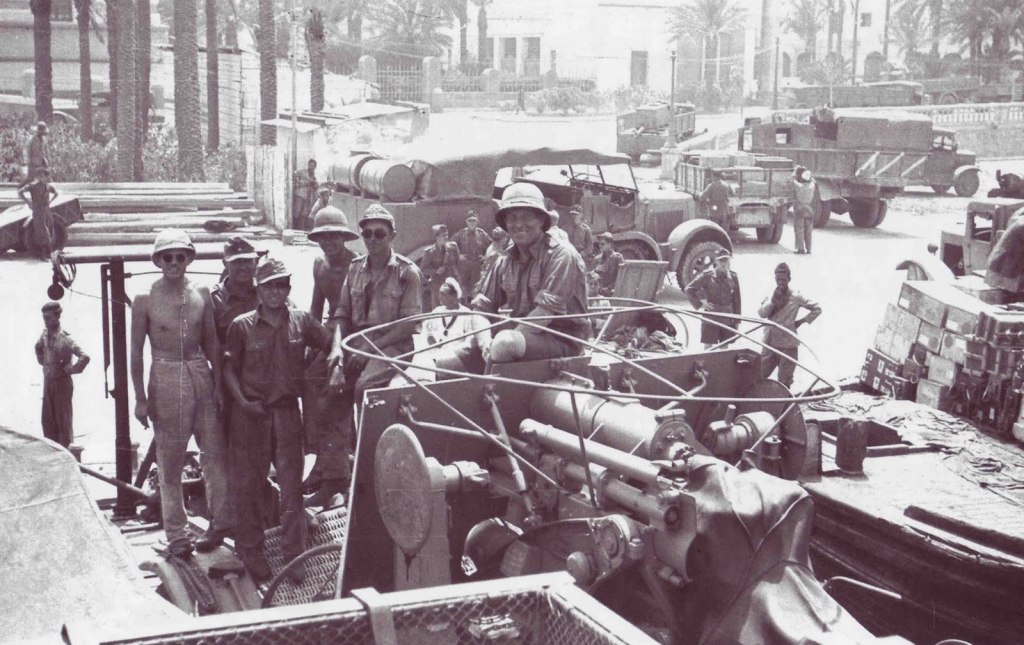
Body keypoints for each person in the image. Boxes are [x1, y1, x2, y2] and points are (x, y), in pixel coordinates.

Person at [224, 257, 333, 582]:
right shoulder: (241, 326)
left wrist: (319, 369)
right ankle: (251, 552)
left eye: (281, 284)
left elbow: (331, 342)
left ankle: (293, 556)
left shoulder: (301, 321)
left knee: (291, 492)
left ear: (288, 288)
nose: (275, 291)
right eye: (269, 285)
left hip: (287, 415)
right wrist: (242, 401)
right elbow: (229, 369)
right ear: (258, 288)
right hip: (251, 417)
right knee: (250, 488)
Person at [130, 229, 228, 557]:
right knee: (170, 462)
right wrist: (140, 398)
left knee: (214, 454)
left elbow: (212, 340)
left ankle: (220, 523)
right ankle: (177, 536)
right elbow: (135, 351)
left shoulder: (201, 291)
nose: (174, 263)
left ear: (189, 258)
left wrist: (217, 385)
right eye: (167, 257)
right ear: (158, 260)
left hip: (200, 369)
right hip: (166, 373)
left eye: (180, 256)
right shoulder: (145, 298)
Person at [473, 183, 589, 363]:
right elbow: (481, 309)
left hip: (562, 339)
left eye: (526, 217)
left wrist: (501, 347)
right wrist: (485, 343)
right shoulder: (505, 259)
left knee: (505, 343)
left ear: (542, 220)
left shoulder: (561, 255)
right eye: (512, 218)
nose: (518, 224)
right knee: (448, 361)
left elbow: (545, 313)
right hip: (523, 335)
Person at [328, 204, 422, 409]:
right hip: (357, 341)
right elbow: (342, 314)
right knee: (320, 377)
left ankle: (365, 440)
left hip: (393, 346)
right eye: (367, 234)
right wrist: (336, 351)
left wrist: (367, 351)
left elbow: (407, 326)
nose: (372, 239)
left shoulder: (407, 273)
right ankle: (338, 438)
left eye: (380, 234)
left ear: (392, 236)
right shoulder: (354, 269)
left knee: (364, 387)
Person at [303, 206, 360, 507]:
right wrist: (309, 341)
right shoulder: (319, 265)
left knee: (331, 392)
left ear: (344, 236)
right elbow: (315, 308)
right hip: (329, 331)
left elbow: (356, 314)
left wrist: (340, 348)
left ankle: (336, 471)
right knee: (308, 379)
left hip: (353, 333)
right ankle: (321, 461)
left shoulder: (357, 265)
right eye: (323, 237)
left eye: (335, 236)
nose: (329, 243)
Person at [757, 263, 821, 389]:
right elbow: (761, 314)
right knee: (758, 376)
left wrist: (801, 322)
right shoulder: (770, 294)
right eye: (778, 279)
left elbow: (817, 309)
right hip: (769, 343)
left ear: (789, 279)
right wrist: (772, 301)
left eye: (783, 280)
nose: (780, 282)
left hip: (787, 345)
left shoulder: (796, 296)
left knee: (784, 382)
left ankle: (783, 407)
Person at [35, 302, 90, 449]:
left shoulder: (66, 339)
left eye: (48, 318)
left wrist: (72, 369)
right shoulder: (44, 335)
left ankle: (67, 455)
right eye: (44, 318)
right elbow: (38, 347)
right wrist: (44, 364)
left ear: (57, 317)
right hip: (48, 382)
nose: (45, 321)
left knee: (63, 422)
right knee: (47, 420)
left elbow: (84, 357)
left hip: (62, 384)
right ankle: (52, 457)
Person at [423, 277, 491, 376]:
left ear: (454, 296)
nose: (440, 297)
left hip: (456, 354)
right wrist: (434, 347)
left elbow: (470, 340)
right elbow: (428, 333)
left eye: (444, 294)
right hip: (436, 352)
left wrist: (453, 352)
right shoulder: (437, 311)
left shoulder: (466, 313)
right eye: (440, 294)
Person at [684, 249, 742, 349]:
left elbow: (737, 299)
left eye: (726, 260)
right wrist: (700, 304)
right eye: (721, 261)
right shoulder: (707, 276)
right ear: (716, 261)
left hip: (727, 317)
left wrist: (737, 320)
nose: (724, 264)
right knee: (708, 346)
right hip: (711, 317)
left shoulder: (733, 276)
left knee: (724, 346)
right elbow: (689, 289)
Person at [210, 237, 260, 344]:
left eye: (247, 261)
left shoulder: (268, 292)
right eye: (236, 262)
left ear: (256, 262)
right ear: (225, 263)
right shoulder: (214, 300)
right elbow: (209, 342)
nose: (243, 267)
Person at [17, 169, 59, 260]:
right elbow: (20, 192)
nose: (42, 178)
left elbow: (56, 194)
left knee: (49, 229)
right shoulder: (33, 186)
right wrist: (28, 202)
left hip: (46, 210)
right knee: (42, 231)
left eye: (44, 176)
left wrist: (50, 201)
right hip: (38, 210)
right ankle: (46, 254)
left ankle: (48, 253)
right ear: (38, 177)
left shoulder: (48, 186)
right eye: (41, 176)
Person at [452, 211, 491, 303]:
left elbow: (492, 246)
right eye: (470, 221)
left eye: (474, 221)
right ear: (466, 222)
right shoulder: (461, 234)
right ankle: (462, 308)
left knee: (476, 289)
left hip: (477, 266)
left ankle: (474, 309)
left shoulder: (482, 234)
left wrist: (485, 257)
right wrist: (458, 256)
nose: (472, 223)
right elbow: (450, 244)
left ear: (477, 222)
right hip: (464, 266)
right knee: (463, 289)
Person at [419, 223, 460, 310]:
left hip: (451, 283)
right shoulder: (429, 252)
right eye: (443, 235)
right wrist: (435, 271)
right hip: (437, 285)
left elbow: (457, 262)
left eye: (447, 234)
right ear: (436, 237)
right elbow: (423, 269)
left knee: (454, 308)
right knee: (438, 309)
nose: (446, 237)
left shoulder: (453, 247)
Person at [792, 166, 818, 255]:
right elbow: (813, 180)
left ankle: (800, 249)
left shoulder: (798, 186)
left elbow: (793, 179)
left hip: (800, 210)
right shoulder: (812, 186)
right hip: (809, 210)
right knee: (808, 231)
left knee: (799, 229)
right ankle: (809, 249)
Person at [589, 232, 624, 297]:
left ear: (609, 244)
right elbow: (589, 275)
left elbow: (621, 278)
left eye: (602, 244)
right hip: (598, 293)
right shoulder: (597, 259)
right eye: (599, 244)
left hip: (612, 292)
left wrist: (609, 287)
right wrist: (596, 271)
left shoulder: (617, 258)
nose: (600, 246)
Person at [292, 159, 318, 231]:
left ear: (315, 167)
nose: (311, 167)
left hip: (308, 197)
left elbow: (315, 186)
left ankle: (301, 229)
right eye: (310, 165)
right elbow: (294, 175)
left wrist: (315, 184)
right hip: (300, 194)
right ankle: (294, 227)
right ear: (308, 165)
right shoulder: (302, 172)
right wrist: (297, 184)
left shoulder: (313, 176)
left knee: (304, 213)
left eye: (313, 166)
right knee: (297, 211)